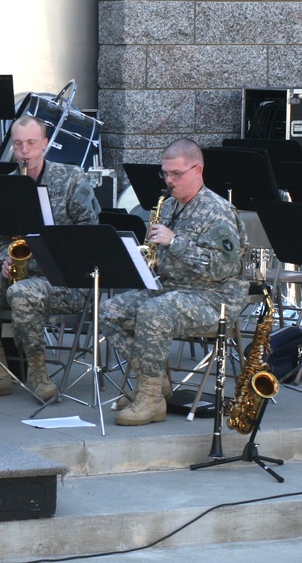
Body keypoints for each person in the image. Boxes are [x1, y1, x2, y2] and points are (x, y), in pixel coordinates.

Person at [100, 138, 248, 425]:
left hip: (213, 297)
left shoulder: (217, 211)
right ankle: (153, 379)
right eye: (165, 174)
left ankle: (151, 399)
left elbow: (224, 268)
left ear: (197, 170)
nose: (169, 181)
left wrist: (175, 242)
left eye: (176, 174)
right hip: (172, 290)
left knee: (153, 313)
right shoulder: (168, 206)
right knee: (109, 311)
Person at [0, 115, 100, 401]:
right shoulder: (7, 185)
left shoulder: (72, 179)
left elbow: (89, 234)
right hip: (20, 277)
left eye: (31, 143)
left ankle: (38, 374)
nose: (24, 151)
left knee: (22, 293)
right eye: (18, 144)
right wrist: (2, 261)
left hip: (64, 281)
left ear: (45, 144)